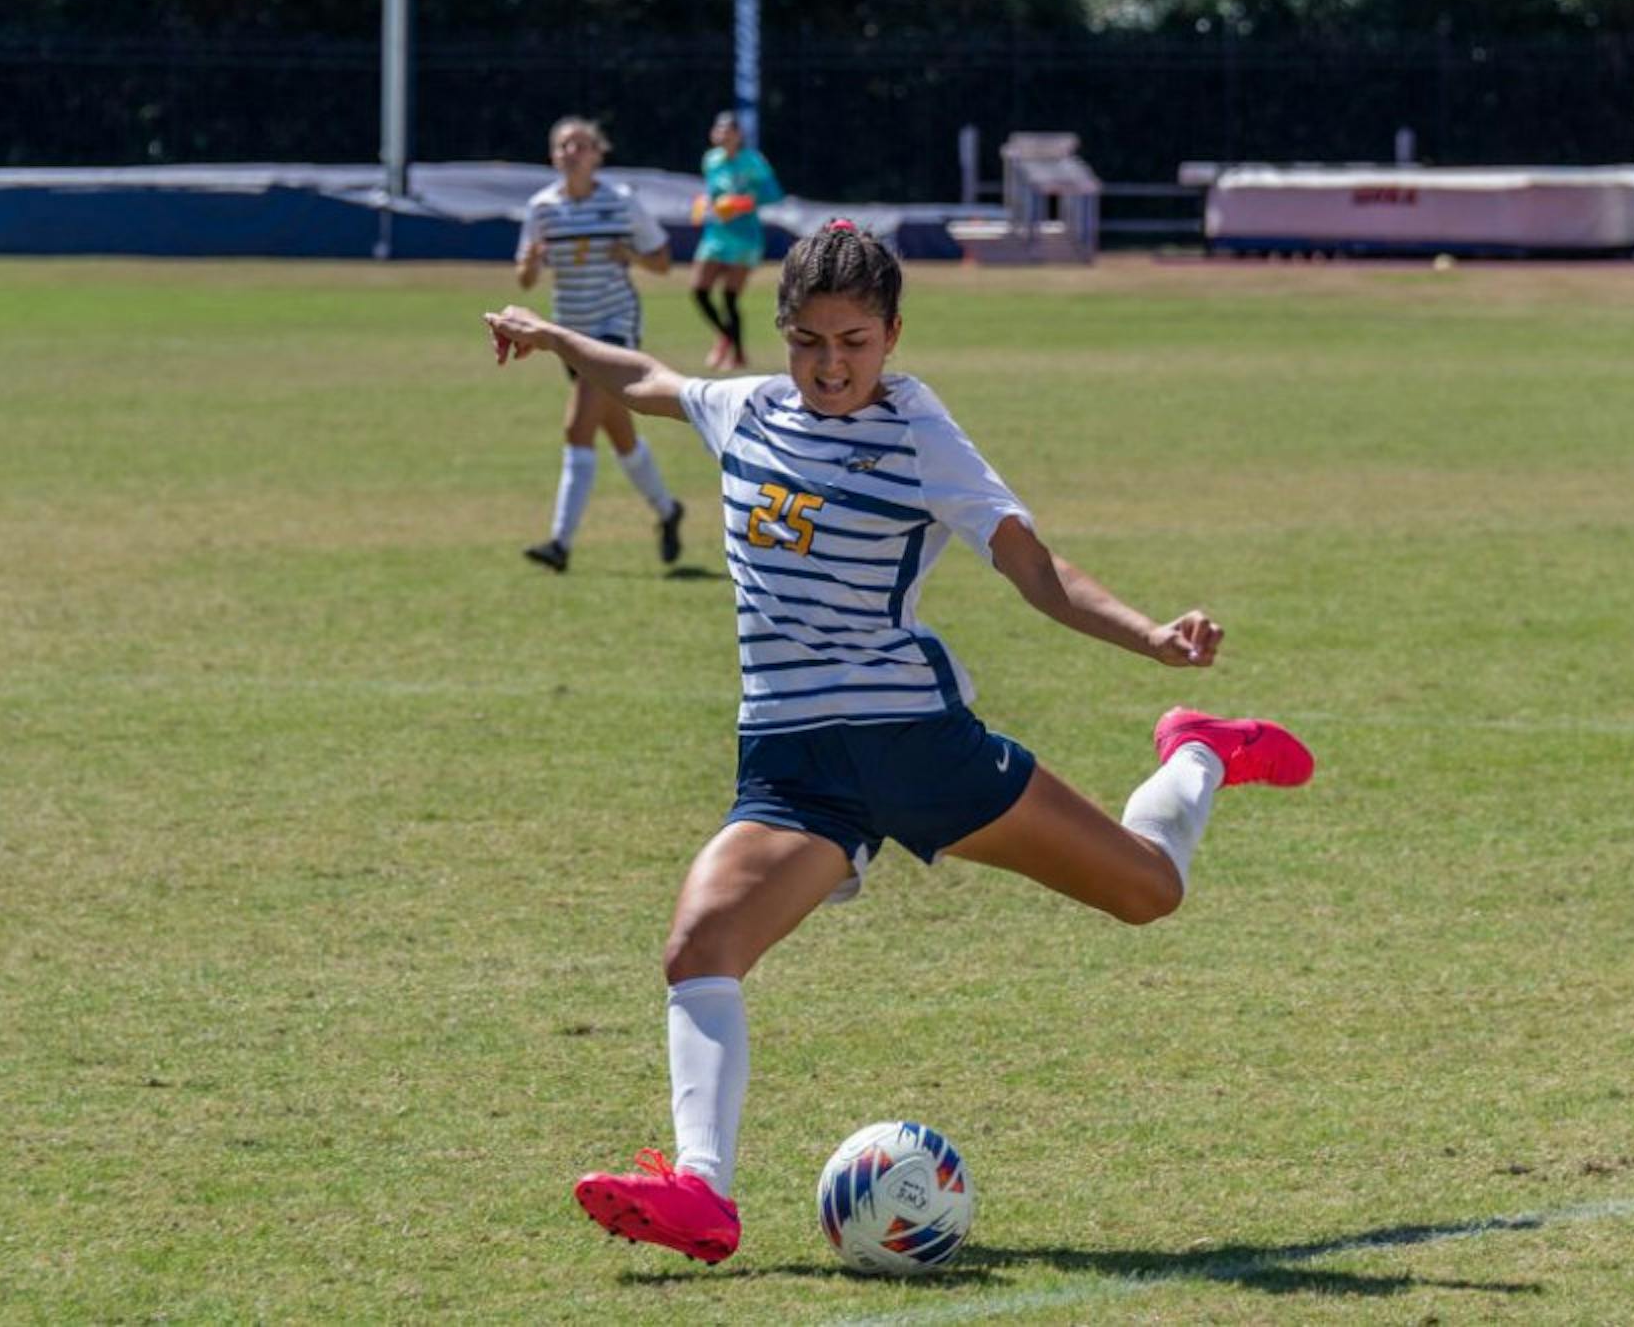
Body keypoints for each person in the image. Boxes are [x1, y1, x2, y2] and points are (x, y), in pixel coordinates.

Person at [483, 221, 1314, 1265]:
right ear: (781, 334)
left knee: (1148, 888)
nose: (830, 364)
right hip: (788, 763)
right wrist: (550, 332)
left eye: (855, 340)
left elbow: (1030, 565)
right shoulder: (744, 408)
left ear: (892, 335)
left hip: (913, 746)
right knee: (700, 946)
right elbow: (645, 374)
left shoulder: (919, 430)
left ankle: (1196, 750)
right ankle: (701, 1192)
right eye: (808, 340)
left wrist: (1148, 635)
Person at [514, 115, 686, 576]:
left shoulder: (621, 202)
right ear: (553, 156)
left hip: (614, 329)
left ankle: (560, 543)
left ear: (597, 153)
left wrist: (629, 256)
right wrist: (530, 263)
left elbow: (663, 261)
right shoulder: (542, 207)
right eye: (564, 145)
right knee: (621, 436)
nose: (572, 152)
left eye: (581, 144)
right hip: (568, 334)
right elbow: (525, 280)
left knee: (577, 429)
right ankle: (668, 510)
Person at [688, 111, 784, 372]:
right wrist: (704, 203)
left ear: (738, 135)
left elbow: (774, 194)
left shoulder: (752, 161)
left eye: (728, 130)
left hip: (744, 237)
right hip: (716, 235)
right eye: (718, 130)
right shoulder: (711, 160)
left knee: (729, 297)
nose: (722, 134)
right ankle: (727, 336)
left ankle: (738, 354)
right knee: (699, 290)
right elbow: (712, 193)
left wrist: (741, 203)